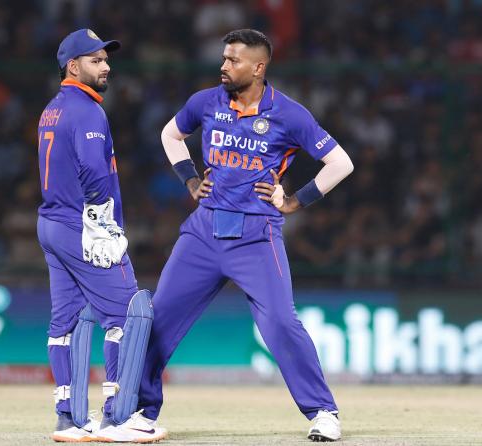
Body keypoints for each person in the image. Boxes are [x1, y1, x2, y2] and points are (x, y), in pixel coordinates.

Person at [137, 29, 354, 442]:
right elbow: (170, 135)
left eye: (233, 60)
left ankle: (323, 412)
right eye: (223, 58)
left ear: (258, 67)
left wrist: (294, 201)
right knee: (159, 320)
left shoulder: (289, 114)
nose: (223, 66)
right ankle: (141, 412)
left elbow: (340, 163)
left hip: (256, 236)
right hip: (202, 233)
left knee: (279, 323)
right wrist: (188, 179)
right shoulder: (205, 102)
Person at [36, 28, 165, 443]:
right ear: (72, 66)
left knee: (67, 323)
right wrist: (102, 221)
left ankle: (69, 420)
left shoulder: (52, 109)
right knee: (130, 312)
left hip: (52, 224)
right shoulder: (89, 110)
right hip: (82, 225)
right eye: (95, 60)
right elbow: (93, 169)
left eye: (106, 58)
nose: (106, 65)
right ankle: (118, 416)